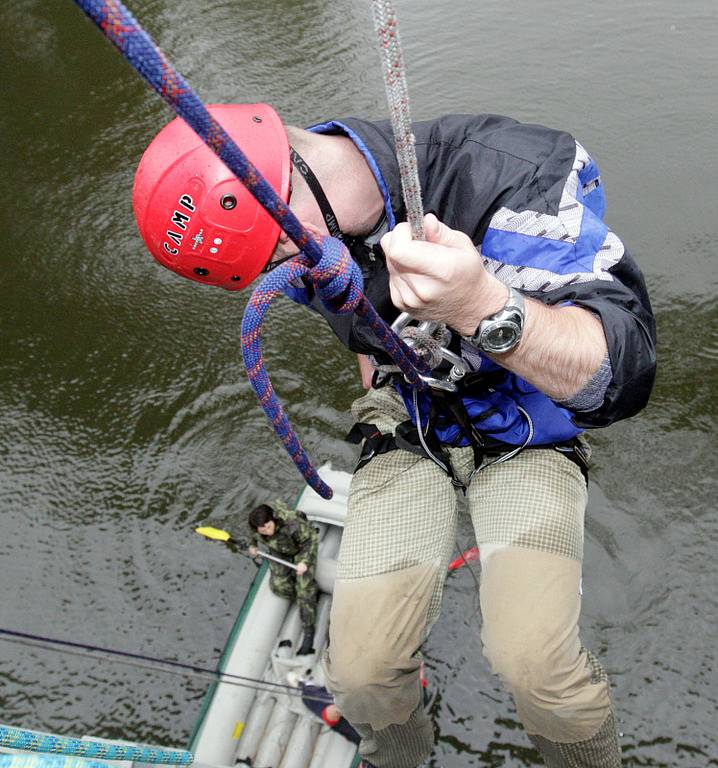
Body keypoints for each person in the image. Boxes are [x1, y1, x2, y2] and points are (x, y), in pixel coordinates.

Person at [132, 104, 657, 768]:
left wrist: (479, 305)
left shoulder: (510, 175)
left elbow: (622, 371)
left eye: (286, 251)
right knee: (360, 673)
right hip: (411, 416)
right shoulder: (295, 249)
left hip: (528, 424)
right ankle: (402, 756)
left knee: (537, 669)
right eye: (270, 265)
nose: (290, 269)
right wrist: (387, 387)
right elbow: (359, 329)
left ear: (289, 179)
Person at [247, 501, 318, 656]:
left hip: (301, 550)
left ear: (273, 520)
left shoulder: (292, 525)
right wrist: (252, 547)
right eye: (263, 529)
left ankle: (308, 629)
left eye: (268, 526)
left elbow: (311, 541)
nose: (267, 530)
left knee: (304, 590)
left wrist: (305, 562)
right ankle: (303, 596)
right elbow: (253, 537)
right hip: (280, 550)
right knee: (278, 586)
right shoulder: (258, 530)